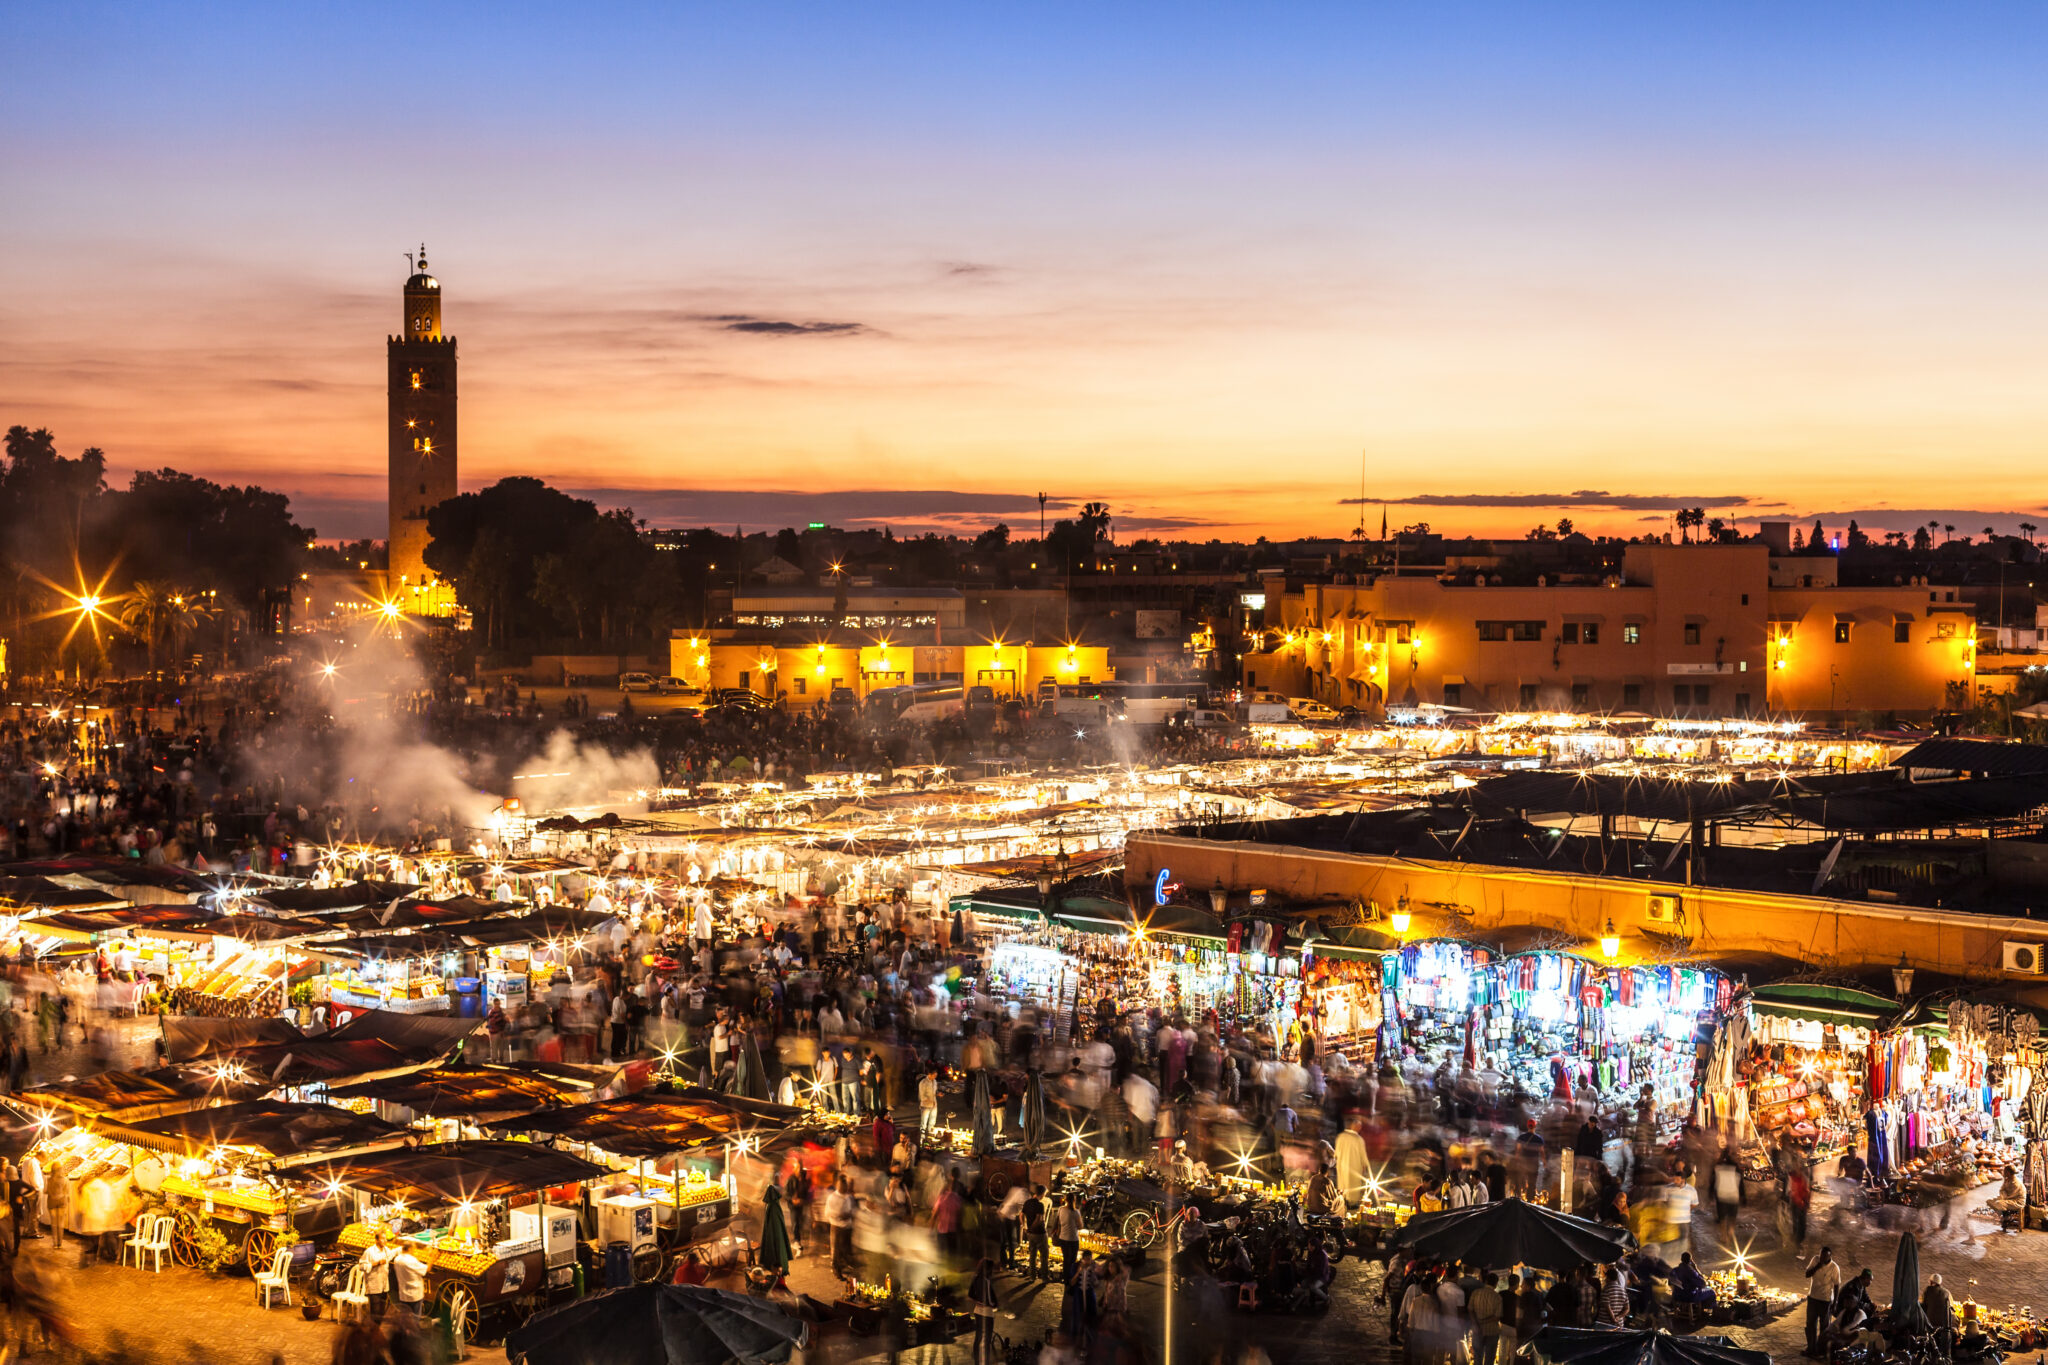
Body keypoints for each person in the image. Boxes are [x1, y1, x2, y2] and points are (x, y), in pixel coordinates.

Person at [1802, 1246, 1841, 1357]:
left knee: (1824, 1327)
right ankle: (1811, 1348)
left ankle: (1821, 1350)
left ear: (1830, 1256)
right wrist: (1817, 1266)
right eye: (1821, 1255)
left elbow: (1837, 1285)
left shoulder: (1834, 1267)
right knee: (1810, 1325)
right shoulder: (1815, 1260)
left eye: (1825, 1256)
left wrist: (1835, 1302)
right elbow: (1807, 1274)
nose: (1822, 1258)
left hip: (1825, 1300)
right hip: (1812, 1298)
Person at [359, 1227, 397, 1320]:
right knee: (375, 1312)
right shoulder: (369, 1252)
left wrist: (402, 1249)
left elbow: (391, 1255)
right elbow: (361, 1266)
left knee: (382, 1312)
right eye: (382, 1238)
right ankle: (374, 1328)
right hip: (374, 1287)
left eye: (385, 1238)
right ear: (376, 1240)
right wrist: (376, 1263)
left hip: (384, 1286)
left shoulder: (386, 1250)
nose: (385, 1241)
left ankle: (378, 1328)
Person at [968, 1256, 1002, 1363]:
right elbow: (989, 1299)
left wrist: (977, 1301)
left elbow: (970, 1294)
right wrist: (994, 1305)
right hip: (987, 1313)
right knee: (987, 1340)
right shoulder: (986, 1281)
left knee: (978, 1338)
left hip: (977, 1311)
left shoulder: (976, 1277)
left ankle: (977, 1362)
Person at [1469, 1270, 1505, 1365]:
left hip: (1477, 1330)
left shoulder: (1475, 1293)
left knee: (1477, 1357)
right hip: (1492, 1331)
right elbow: (1497, 1317)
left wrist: (1475, 1323)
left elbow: (1470, 1309)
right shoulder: (1497, 1297)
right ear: (1496, 1284)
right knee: (1489, 1358)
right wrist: (1483, 1321)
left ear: (1486, 1281)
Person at [1050, 1191, 1084, 1282]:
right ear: (1074, 1200)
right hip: (1073, 1239)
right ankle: (1071, 1278)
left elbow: (1057, 1221)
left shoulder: (1061, 1209)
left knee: (1066, 1259)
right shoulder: (1076, 1212)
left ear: (1065, 1200)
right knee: (1073, 1260)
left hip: (1063, 1238)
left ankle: (1065, 1279)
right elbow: (1080, 1227)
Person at [391, 1244, 429, 1319]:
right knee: (415, 1318)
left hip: (403, 1295)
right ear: (410, 1249)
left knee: (405, 1318)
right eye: (413, 1249)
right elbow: (427, 1269)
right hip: (415, 1295)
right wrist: (433, 1257)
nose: (414, 1251)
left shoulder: (397, 1259)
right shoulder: (411, 1260)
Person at [1023, 1184, 1051, 1280]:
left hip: (1030, 1234)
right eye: (1044, 1194)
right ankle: (1044, 1277)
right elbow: (1039, 1219)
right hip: (1040, 1233)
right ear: (1042, 1194)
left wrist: (1025, 1227)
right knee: (1044, 1255)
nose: (1044, 1196)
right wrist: (1031, 1228)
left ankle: (1032, 1276)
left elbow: (1021, 1215)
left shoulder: (1027, 1202)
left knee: (1032, 1255)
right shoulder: (1040, 1205)